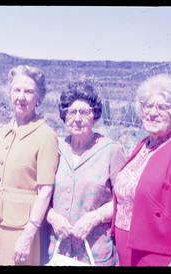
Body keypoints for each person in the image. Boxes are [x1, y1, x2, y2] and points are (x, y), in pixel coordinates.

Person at [0, 65, 59, 265]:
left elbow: (45, 191)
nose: (21, 97)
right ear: (9, 93)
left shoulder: (46, 136)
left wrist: (27, 237)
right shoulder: (3, 132)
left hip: (20, 232)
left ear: (39, 98)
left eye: (28, 92)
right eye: (17, 90)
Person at [112, 73, 171, 266]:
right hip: (126, 252)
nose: (152, 112)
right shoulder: (143, 145)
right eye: (147, 106)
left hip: (159, 257)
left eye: (162, 107)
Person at [46, 81, 126, 266]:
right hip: (59, 250)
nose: (77, 118)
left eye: (85, 112)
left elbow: (124, 200)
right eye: (72, 112)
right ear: (64, 116)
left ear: (95, 116)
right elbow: (39, 194)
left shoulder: (111, 151)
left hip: (95, 252)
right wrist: (51, 216)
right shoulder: (55, 149)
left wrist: (95, 216)